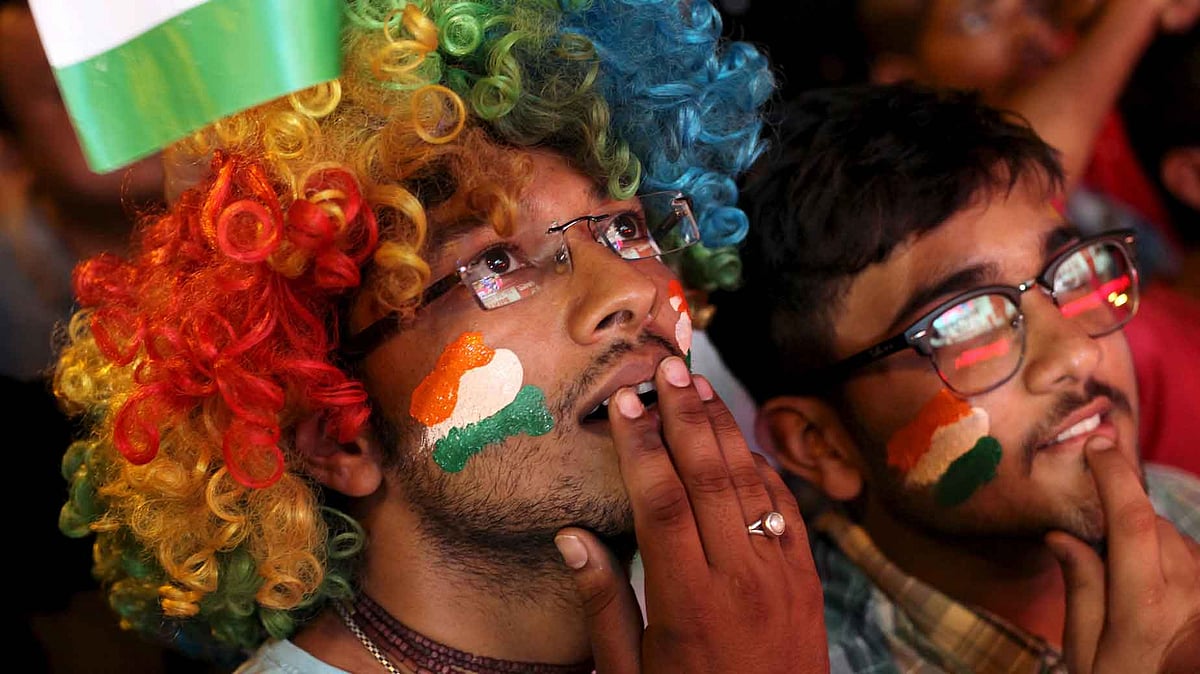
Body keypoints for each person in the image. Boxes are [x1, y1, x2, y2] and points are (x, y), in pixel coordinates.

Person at [48, 1, 830, 672]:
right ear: (339, 434)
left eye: (625, 228)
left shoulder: (752, 625)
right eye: (496, 262)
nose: (629, 291)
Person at [706, 82, 1200, 673]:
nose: (1078, 355)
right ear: (821, 445)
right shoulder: (806, 659)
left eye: (1072, 272)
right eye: (966, 322)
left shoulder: (1181, 506)